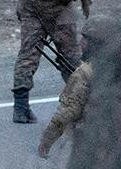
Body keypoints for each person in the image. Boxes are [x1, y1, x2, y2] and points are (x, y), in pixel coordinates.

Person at [38, 16, 114, 158]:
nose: (80, 43)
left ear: (94, 43)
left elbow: (68, 112)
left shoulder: (85, 72)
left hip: (93, 142)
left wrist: (46, 140)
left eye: (85, 39)